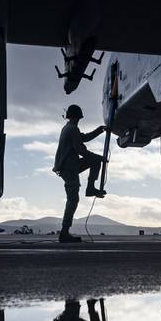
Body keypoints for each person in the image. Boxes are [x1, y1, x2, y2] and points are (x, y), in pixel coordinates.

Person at [53, 104, 107, 243]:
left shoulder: (69, 128)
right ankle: (64, 232)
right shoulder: (71, 129)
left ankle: (90, 188)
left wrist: (99, 130)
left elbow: (83, 138)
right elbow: (81, 150)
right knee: (73, 199)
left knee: (95, 162)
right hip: (68, 168)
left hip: (70, 166)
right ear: (77, 117)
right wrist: (98, 157)